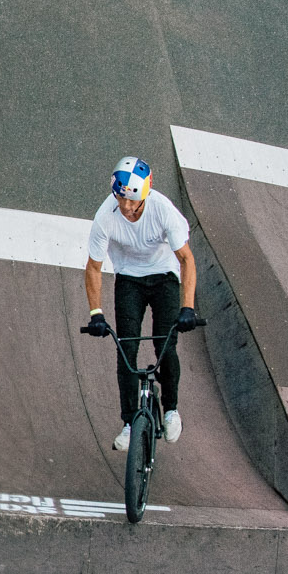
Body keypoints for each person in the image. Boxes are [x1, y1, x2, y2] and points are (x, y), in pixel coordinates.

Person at [80, 157, 203, 449]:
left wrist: (188, 307)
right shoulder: (105, 216)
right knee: (126, 350)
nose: (125, 207)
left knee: (165, 344)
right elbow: (93, 268)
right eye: (120, 199)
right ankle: (128, 423)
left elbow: (186, 259)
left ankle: (171, 409)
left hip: (164, 278)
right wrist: (95, 313)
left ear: (145, 195)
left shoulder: (163, 211)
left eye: (132, 202)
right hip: (129, 281)